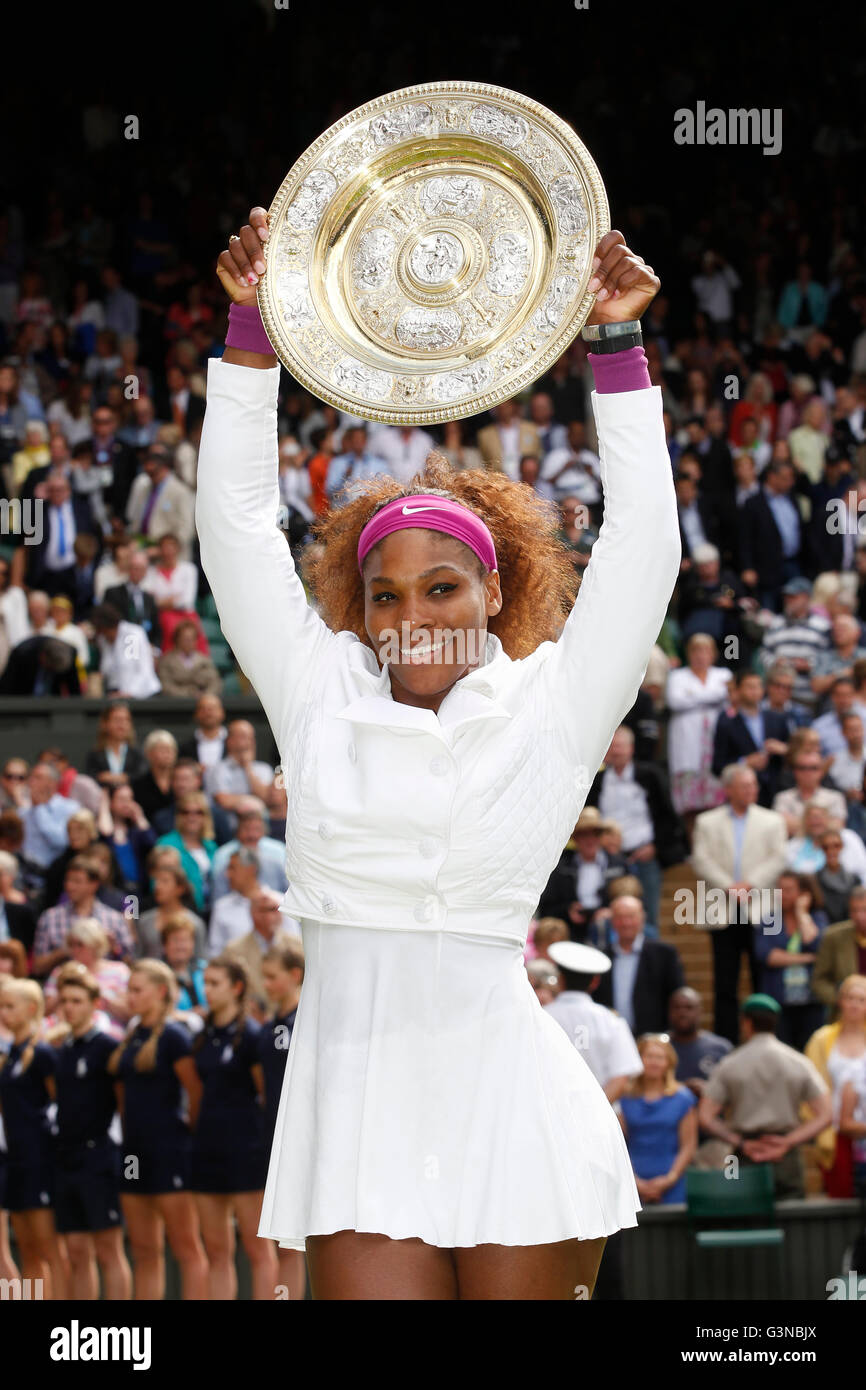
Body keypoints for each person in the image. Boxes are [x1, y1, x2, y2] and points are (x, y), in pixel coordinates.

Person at [205, 215, 679, 1299]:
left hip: (514, 1109)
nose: (412, 616)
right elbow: (234, 528)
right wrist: (248, 338)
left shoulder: (554, 702)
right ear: (358, 611)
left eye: (441, 588)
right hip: (357, 1116)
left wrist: (615, 352)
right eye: (385, 595)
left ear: (494, 591)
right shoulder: (316, 689)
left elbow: (644, 547)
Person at [108, 959, 208, 1300]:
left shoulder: (176, 1036)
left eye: (137, 990)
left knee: (186, 1247)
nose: (130, 996)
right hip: (133, 1153)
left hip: (169, 1151)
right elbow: (122, 1098)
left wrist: (181, 1137)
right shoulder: (133, 1034)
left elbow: (195, 1094)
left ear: (160, 991)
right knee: (144, 1251)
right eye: (128, 989)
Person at [190, 956, 276, 1301]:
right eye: (205, 983)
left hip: (245, 1152)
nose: (207, 990)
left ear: (236, 988)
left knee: (258, 1250)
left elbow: (264, 1096)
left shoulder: (254, 1036)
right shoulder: (203, 1034)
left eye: (215, 983)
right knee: (217, 1251)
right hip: (207, 1151)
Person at [698, 994, 832, 1199]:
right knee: (791, 1218)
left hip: (741, 1154)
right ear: (775, 1022)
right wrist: (788, 1142)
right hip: (785, 1153)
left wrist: (740, 1142)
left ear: (746, 1023)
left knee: (739, 1212)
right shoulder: (798, 1062)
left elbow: (705, 1117)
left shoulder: (730, 1064)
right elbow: (826, 1114)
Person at [49, 965, 131, 1299]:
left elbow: (124, 1104)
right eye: (64, 1000)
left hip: (99, 1156)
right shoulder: (62, 1049)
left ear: (95, 1003)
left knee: (108, 1249)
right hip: (66, 1158)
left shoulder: (108, 1047)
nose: (69, 1007)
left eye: (77, 1000)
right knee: (77, 1251)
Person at [691, 765, 789, 1043]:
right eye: (744, 786)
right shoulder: (706, 822)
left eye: (753, 785)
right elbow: (701, 859)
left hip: (762, 907)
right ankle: (726, 1041)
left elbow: (778, 858)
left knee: (764, 978)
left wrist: (749, 884)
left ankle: (767, 1037)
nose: (751, 790)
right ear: (729, 789)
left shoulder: (773, 821)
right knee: (725, 982)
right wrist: (729, 887)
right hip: (721, 907)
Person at [0, 978, 70, 1298]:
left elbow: (61, 1105)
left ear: (31, 1009)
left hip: (40, 1159)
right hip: (15, 1160)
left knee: (50, 1249)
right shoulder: (9, 1056)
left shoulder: (43, 1054)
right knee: (28, 1249)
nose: (3, 1013)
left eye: (9, 1006)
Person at [585, 724, 687, 928]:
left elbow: (667, 815)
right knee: (610, 914)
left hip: (644, 857)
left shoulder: (650, 776)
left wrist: (655, 847)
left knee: (648, 916)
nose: (616, 751)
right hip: (610, 859)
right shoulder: (599, 781)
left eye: (620, 746)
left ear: (631, 748)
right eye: (612, 746)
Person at [258, 941, 306, 1302]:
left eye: (272, 977)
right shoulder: (270, 1025)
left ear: (295, 975)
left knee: (293, 1242)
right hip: (271, 1139)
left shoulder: (308, 1021)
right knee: (276, 1239)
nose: (267, 984)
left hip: (300, 1140)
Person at [543, 941, 643, 1102]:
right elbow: (621, 1076)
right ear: (595, 982)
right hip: (601, 1119)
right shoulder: (611, 1021)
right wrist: (595, 1112)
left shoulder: (542, 1017)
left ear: (560, 979)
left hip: (551, 1116)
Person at [804, 974, 866, 1198]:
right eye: (850, 998)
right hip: (834, 1130)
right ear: (840, 1000)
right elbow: (809, 1086)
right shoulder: (821, 1039)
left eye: (862, 999)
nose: (855, 1005)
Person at [617, 1034, 698, 1204]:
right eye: (649, 1056)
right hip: (632, 1183)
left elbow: (689, 1146)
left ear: (668, 1062)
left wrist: (670, 1179)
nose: (654, 1062)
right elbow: (618, 1145)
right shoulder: (624, 1098)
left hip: (672, 1182)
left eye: (659, 1057)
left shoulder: (683, 1098)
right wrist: (635, 1181)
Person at [753, 871, 827, 1051]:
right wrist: (807, 958)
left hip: (811, 1002)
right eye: (779, 889)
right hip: (779, 1003)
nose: (782, 894)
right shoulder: (770, 920)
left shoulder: (817, 918)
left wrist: (802, 913)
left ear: (803, 893)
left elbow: (816, 944)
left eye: (788, 890)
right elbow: (768, 956)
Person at [665, 633, 732, 828]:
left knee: (717, 803)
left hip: (715, 746)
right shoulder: (677, 676)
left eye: (706, 650)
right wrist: (713, 696)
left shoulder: (723, 674)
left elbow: (728, 699)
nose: (700, 655)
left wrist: (693, 696)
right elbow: (675, 701)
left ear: (713, 654)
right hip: (687, 747)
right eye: (696, 651)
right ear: (689, 653)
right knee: (690, 806)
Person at [594, 895, 685, 1034]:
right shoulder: (601, 957)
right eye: (619, 917)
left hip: (654, 1040)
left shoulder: (664, 954)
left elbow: (677, 995)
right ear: (612, 921)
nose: (625, 923)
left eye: (631, 916)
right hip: (610, 1036)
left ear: (642, 918)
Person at [711, 670, 789, 808]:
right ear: (738, 690)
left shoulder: (777, 718)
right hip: (742, 797)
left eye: (758, 686)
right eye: (749, 687)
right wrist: (745, 762)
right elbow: (717, 766)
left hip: (775, 790)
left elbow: (794, 755)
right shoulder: (726, 723)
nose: (754, 691)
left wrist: (783, 749)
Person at [43, 918, 130, 1039]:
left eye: (80, 944)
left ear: (95, 945)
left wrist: (96, 993)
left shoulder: (119, 970)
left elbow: (128, 1012)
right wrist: (64, 987)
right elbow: (45, 1011)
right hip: (65, 1033)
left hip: (109, 1033)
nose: (75, 950)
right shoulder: (60, 972)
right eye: (71, 945)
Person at [209, 798, 288, 900]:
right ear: (237, 830)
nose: (251, 835)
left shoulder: (278, 850)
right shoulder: (223, 854)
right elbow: (218, 892)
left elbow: (287, 887)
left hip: (273, 906)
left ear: (264, 830)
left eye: (256, 829)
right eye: (246, 829)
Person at [155, 793, 217, 916]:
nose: (191, 817)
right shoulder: (166, 844)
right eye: (186, 812)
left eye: (198, 812)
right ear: (178, 816)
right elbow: (156, 882)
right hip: (180, 911)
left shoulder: (211, 847)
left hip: (210, 911)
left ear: (206, 817)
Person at [136, 857, 207, 960]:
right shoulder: (144, 920)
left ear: (180, 888)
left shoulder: (195, 923)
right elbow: (138, 955)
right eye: (156, 881)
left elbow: (201, 959)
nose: (158, 887)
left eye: (165, 881)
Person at [667, 986, 732, 1098]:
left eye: (689, 1007)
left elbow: (733, 1089)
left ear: (700, 1011)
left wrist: (709, 1089)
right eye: (677, 1007)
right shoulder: (658, 1047)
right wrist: (680, 1089)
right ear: (669, 1011)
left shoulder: (721, 1048)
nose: (682, 1013)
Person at [813, 886, 866, 1007]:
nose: (860, 916)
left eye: (864, 910)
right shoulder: (834, 936)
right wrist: (843, 1000)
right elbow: (819, 980)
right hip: (844, 1016)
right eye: (854, 910)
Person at [207, 846, 259, 955]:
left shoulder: (278, 903)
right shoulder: (221, 907)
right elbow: (215, 952)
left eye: (233, 868)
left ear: (251, 870)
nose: (227, 874)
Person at [84, 703, 148, 790]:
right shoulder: (95, 754)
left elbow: (141, 777)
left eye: (126, 720)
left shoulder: (137, 753)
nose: (122, 724)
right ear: (105, 724)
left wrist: (113, 777)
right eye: (117, 719)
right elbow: (91, 779)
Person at [158, 621, 222, 698]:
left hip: (203, 701)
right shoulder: (166, 661)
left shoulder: (205, 661)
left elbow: (215, 683)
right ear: (177, 639)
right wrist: (189, 694)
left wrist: (205, 696)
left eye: (192, 639)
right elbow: (166, 686)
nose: (189, 642)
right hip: (176, 704)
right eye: (186, 639)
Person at [816, 828, 860, 924]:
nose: (831, 851)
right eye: (826, 847)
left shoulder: (855, 880)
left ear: (842, 847)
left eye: (836, 846)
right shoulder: (814, 881)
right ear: (821, 848)